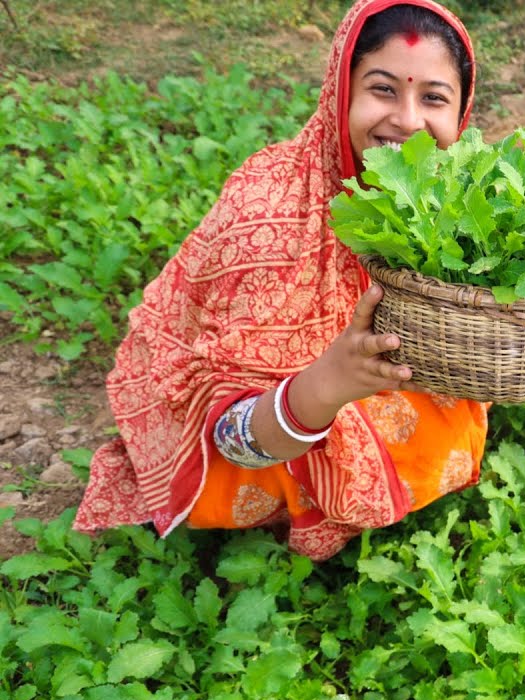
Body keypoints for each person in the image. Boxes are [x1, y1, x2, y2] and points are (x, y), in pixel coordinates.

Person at [73, 0, 488, 560]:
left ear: (461, 114)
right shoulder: (269, 203)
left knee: (442, 417)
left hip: (363, 377)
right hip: (257, 420)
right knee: (251, 474)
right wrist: (328, 384)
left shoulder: (455, 206)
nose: (409, 121)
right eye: (384, 89)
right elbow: (228, 431)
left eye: (433, 98)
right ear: (339, 93)